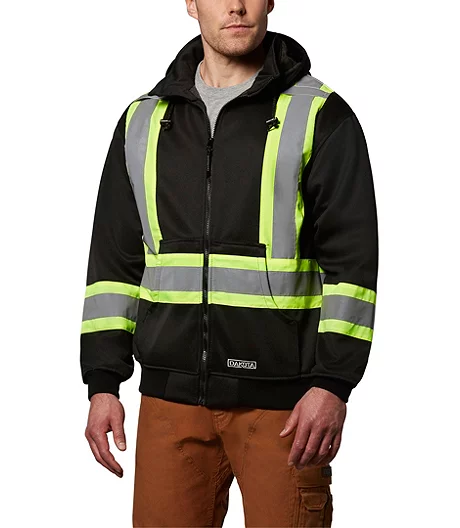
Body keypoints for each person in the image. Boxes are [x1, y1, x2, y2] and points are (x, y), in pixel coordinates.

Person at [80, 0, 379, 526]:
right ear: (191, 4)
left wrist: (333, 384)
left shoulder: (319, 115)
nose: (236, 5)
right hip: (170, 401)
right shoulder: (142, 122)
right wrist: (103, 382)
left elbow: (352, 263)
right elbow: (114, 262)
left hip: (286, 406)